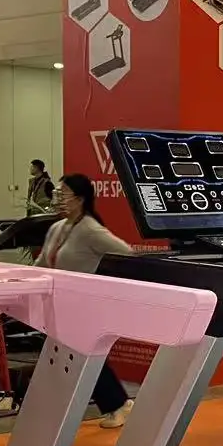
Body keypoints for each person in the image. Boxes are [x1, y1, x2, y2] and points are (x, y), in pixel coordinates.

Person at [36, 174, 133, 427]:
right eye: (57, 193)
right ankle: (112, 404)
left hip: (84, 307)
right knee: (66, 358)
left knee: (84, 357)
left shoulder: (90, 229)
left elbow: (126, 253)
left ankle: (118, 404)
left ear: (79, 199)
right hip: (59, 306)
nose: (58, 198)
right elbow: (42, 263)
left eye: (63, 194)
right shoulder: (57, 228)